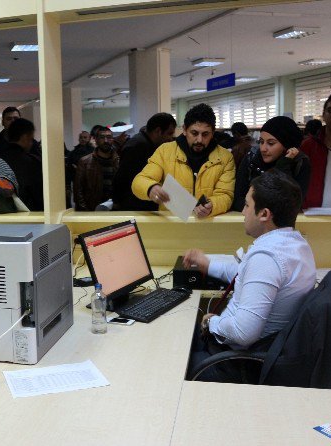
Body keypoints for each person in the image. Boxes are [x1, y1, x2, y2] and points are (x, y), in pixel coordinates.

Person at [185, 170, 316, 382]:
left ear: (264, 214)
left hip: (234, 362)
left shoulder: (267, 257)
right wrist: (208, 264)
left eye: (247, 205)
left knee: (170, 362)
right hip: (259, 352)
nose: (243, 212)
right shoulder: (294, 244)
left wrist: (212, 323)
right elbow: (246, 275)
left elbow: (243, 332)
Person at [131, 103, 235, 218]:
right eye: (194, 133)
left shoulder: (225, 157)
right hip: (172, 225)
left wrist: (213, 205)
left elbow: (226, 195)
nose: (199, 140)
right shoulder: (165, 151)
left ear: (213, 133)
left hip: (207, 225)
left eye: (205, 134)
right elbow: (140, 180)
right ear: (185, 130)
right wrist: (151, 188)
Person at [232, 116, 311, 212]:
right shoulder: (251, 157)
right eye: (261, 142)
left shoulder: (300, 162)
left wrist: (283, 165)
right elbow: (238, 201)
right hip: (249, 221)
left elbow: (292, 206)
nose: (263, 148)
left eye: (271, 143)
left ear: (287, 145)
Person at [112, 113, 176, 211]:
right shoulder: (137, 146)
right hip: (135, 206)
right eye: (169, 133)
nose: (171, 138)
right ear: (158, 131)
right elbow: (122, 178)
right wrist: (117, 202)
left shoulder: (147, 144)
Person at [0, 118, 44, 211]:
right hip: (28, 214)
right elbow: (38, 196)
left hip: (0, 212)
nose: (31, 143)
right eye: (31, 138)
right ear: (25, 137)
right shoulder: (32, 162)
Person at [73, 127, 120, 211]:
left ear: (112, 139)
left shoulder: (119, 161)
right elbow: (78, 191)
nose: (105, 141)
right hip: (92, 209)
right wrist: (85, 212)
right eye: (102, 137)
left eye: (109, 137)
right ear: (96, 140)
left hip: (114, 210)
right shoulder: (85, 162)